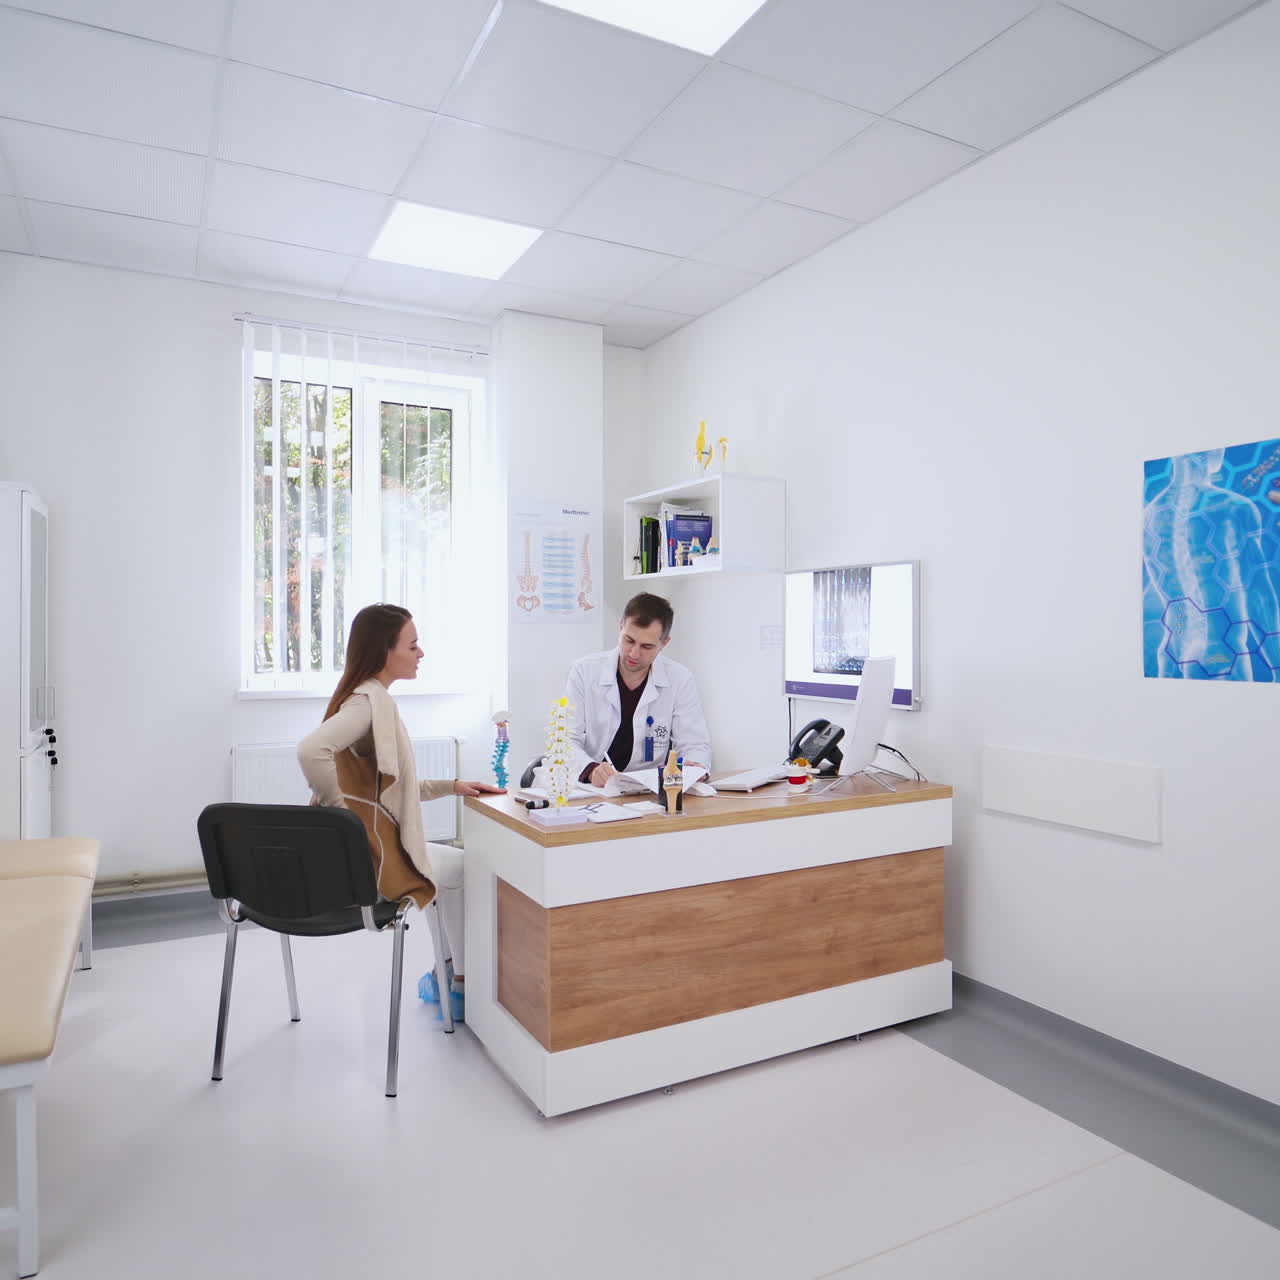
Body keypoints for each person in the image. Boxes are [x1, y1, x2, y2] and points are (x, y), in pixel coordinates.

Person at [297, 603, 505, 1022]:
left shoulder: (366, 699)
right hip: (371, 862)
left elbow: (391, 792)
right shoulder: (368, 702)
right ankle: (461, 982)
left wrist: (453, 786)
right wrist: (344, 818)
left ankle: (450, 973)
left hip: (359, 855)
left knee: (447, 869)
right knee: (462, 869)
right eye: (412, 645)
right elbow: (309, 750)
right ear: (384, 651)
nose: (420, 653)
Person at [563, 592, 710, 788]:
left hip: (649, 790)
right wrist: (590, 769)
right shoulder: (584, 671)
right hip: (593, 789)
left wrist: (695, 768)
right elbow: (565, 740)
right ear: (620, 626)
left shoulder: (680, 679)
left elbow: (694, 744)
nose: (634, 653)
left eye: (646, 646)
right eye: (629, 640)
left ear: (664, 643)